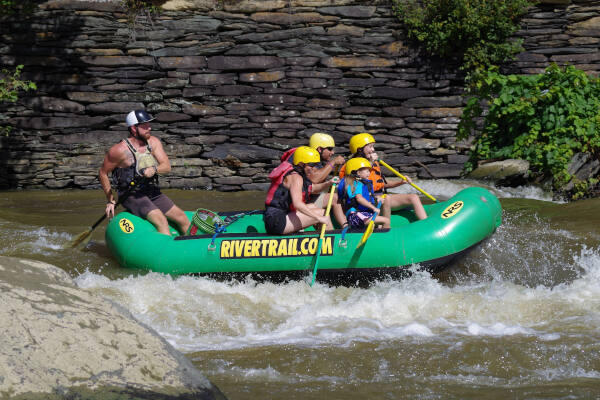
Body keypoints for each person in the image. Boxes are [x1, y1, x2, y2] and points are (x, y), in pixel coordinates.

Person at [98, 109, 190, 236]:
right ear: (134, 129)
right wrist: (111, 200)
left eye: (149, 125)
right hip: (131, 194)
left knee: (182, 218)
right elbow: (103, 172)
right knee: (161, 220)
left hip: (151, 191)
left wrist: (154, 169)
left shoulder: (154, 142)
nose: (149, 128)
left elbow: (167, 166)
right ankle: (166, 253)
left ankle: (193, 247)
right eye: (144, 126)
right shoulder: (119, 150)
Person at [341, 133, 427, 221]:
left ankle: (426, 225)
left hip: (381, 197)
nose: (373, 149)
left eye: (373, 146)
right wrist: (370, 163)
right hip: (366, 202)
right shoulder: (352, 165)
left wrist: (401, 182)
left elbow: (381, 184)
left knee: (413, 197)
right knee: (387, 199)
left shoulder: (373, 162)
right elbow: (353, 187)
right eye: (370, 147)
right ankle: (384, 228)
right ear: (359, 149)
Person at [264, 146, 335, 235]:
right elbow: (297, 204)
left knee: (313, 206)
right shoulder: (296, 178)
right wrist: (319, 218)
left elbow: (312, 188)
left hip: (273, 217)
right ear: (301, 164)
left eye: (315, 165)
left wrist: (328, 183)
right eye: (311, 165)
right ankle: (333, 242)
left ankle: (322, 235)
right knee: (322, 214)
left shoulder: (296, 173)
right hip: (276, 222)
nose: (313, 169)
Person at [306, 132, 347, 228]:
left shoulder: (318, 161)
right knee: (324, 213)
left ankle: (345, 226)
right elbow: (315, 179)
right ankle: (330, 235)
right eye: (329, 149)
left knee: (335, 197)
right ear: (319, 149)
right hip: (304, 204)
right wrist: (333, 162)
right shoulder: (308, 161)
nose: (332, 153)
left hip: (311, 200)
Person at [339, 157, 390, 229]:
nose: (369, 173)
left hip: (360, 214)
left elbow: (366, 196)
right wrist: (373, 208)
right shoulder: (356, 184)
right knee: (386, 220)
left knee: (379, 225)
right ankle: (386, 239)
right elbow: (359, 199)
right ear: (358, 173)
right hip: (356, 216)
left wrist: (377, 198)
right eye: (367, 171)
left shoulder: (359, 183)